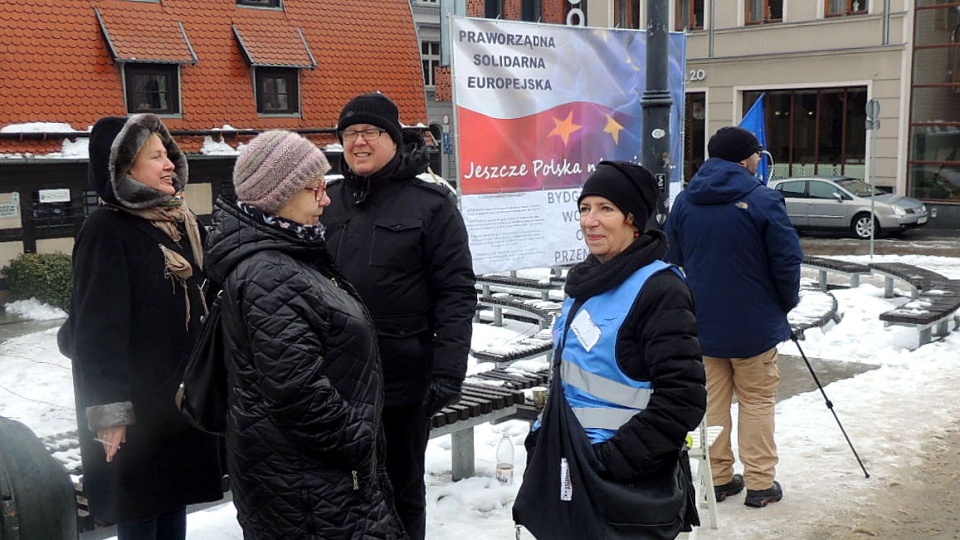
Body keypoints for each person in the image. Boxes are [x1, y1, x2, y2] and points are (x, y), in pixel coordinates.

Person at [204, 130, 407, 539]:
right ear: (278, 194)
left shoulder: (291, 255)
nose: (326, 199)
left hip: (315, 476)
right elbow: (297, 390)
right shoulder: (268, 272)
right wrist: (358, 439)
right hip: (305, 484)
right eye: (315, 189)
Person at [514, 161, 706, 539]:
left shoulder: (659, 289)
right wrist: (541, 441)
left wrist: (614, 462)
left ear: (632, 219)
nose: (590, 221)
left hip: (620, 487)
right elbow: (570, 378)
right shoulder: (586, 283)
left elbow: (682, 398)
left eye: (606, 209)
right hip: (570, 469)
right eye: (585, 208)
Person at [320, 92, 476, 540]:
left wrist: (448, 371)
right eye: (349, 134)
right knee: (341, 492)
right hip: (334, 382)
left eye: (370, 132)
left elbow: (456, 293)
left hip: (403, 382)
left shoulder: (431, 204)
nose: (358, 142)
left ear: (393, 138)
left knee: (400, 491)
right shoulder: (327, 201)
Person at [65, 113, 223, 539]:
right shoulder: (107, 229)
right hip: (135, 413)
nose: (171, 162)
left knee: (172, 505)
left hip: (174, 402)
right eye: (157, 156)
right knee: (141, 512)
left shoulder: (176, 222)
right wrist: (110, 414)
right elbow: (96, 331)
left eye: (168, 152)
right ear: (124, 169)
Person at [664, 126, 803, 508]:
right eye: (757, 153)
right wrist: (784, 303)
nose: (760, 159)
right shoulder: (761, 199)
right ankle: (760, 483)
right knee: (758, 400)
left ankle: (719, 478)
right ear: (745, 159)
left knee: (712, 401)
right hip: (755, 325)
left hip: (702, 322)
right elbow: (787, 260)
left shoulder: (686, 201)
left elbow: (670, 258)